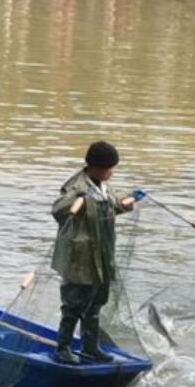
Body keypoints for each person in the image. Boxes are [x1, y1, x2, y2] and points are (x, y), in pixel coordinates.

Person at [51, 141, 138, 365]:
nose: (112, 172)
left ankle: (90, 348)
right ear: (97, 167)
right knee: (73, 305)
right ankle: (63, 348)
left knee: (95, 305)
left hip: (101, 257)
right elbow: (59, 211)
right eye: (109, 168)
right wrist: (79, 198)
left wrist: (131, 199)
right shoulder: (76, 186)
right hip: (78, 259)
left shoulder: (102, 186)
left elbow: (111, 206)